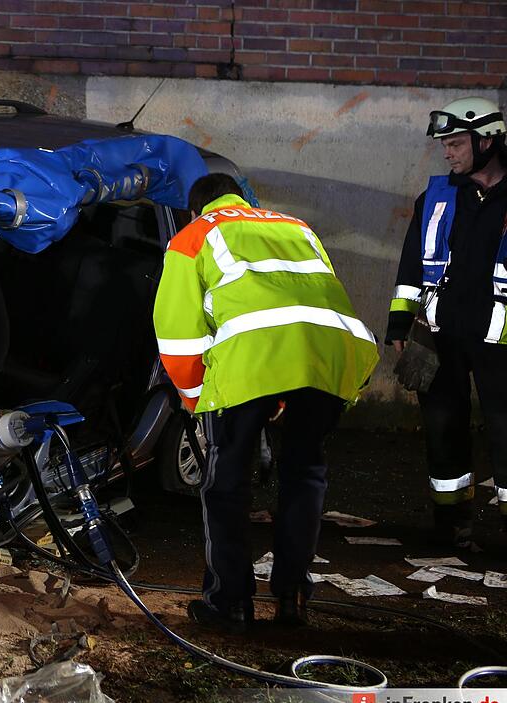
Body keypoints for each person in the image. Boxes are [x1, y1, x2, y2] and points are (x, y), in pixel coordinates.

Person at [153, 173, 379, 632]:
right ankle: (293, 599)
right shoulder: (296, 227)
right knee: (304, 474)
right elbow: (312, 298)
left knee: (226, 484)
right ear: (241, 200)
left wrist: (198, 401)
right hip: (327, 357)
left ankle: (230, 604)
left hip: (251, 362)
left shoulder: (193, 236)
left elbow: (178, 334)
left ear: (195, 209)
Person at [385, 97, 507, 549]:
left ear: (487, 141)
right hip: (440, 336)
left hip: (500, 339)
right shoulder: (435, 197)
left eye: (456, 144)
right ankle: (451, 526)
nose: (448, 153)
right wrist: (400, 326)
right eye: (445, 145)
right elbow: (411, 267)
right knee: (442, 430)